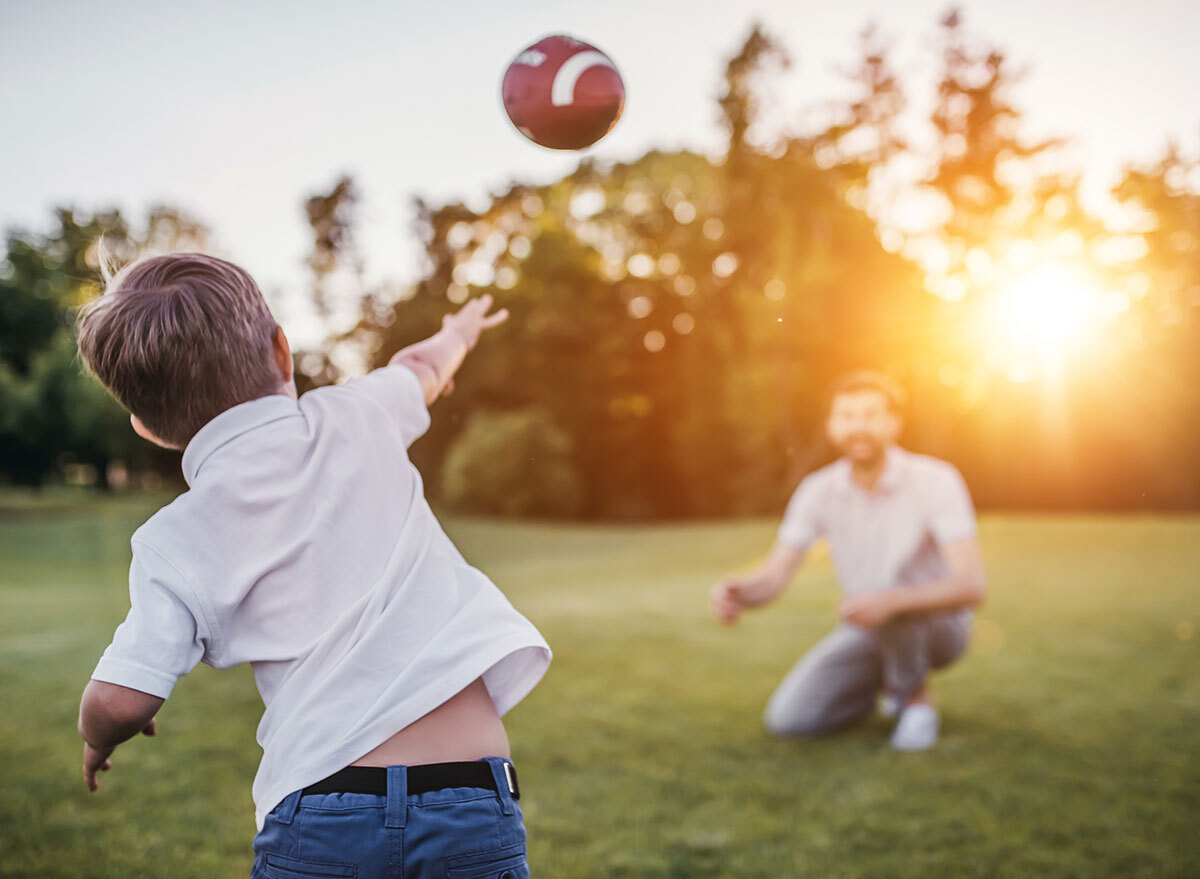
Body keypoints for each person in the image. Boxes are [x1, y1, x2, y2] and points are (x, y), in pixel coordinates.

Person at [74, 253, 550, 877]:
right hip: (469, 801)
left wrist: (97, 737)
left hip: (322, 817)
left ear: (147, 428)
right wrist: (456, 335)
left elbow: (119, 700)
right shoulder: (357, 415)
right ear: (282, 351)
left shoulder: (177, 537)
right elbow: (420, 368)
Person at [711, 371, 986, 751]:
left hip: (941, 628)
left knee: (893, 601)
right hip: (868, 628)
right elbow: (775, 577)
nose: (858, 426)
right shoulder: (818, 492)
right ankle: (882, 685)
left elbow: (972, 586)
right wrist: (740, 592)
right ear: (830, 426)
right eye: (846, 416)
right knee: (789, 720)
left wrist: (890, 601)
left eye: (870, 415)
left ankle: (914, 700)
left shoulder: (936, 481)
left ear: (894, 423)